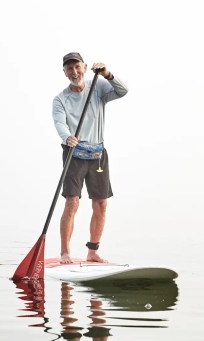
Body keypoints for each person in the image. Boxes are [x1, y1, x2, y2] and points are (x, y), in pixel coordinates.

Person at [53, 52, 128, 264]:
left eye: (77, 67)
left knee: (101, 203)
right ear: (65, 72)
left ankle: (92, 251)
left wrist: (107, 74)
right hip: (74, 153)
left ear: (85, 67)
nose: (74, 72)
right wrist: (67, 136)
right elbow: (59, 122)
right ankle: (65, 253)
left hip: (97, 154)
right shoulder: (60, 99)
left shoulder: (98, 87)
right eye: (69, 68)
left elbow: (123, 91)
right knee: (72, 202)